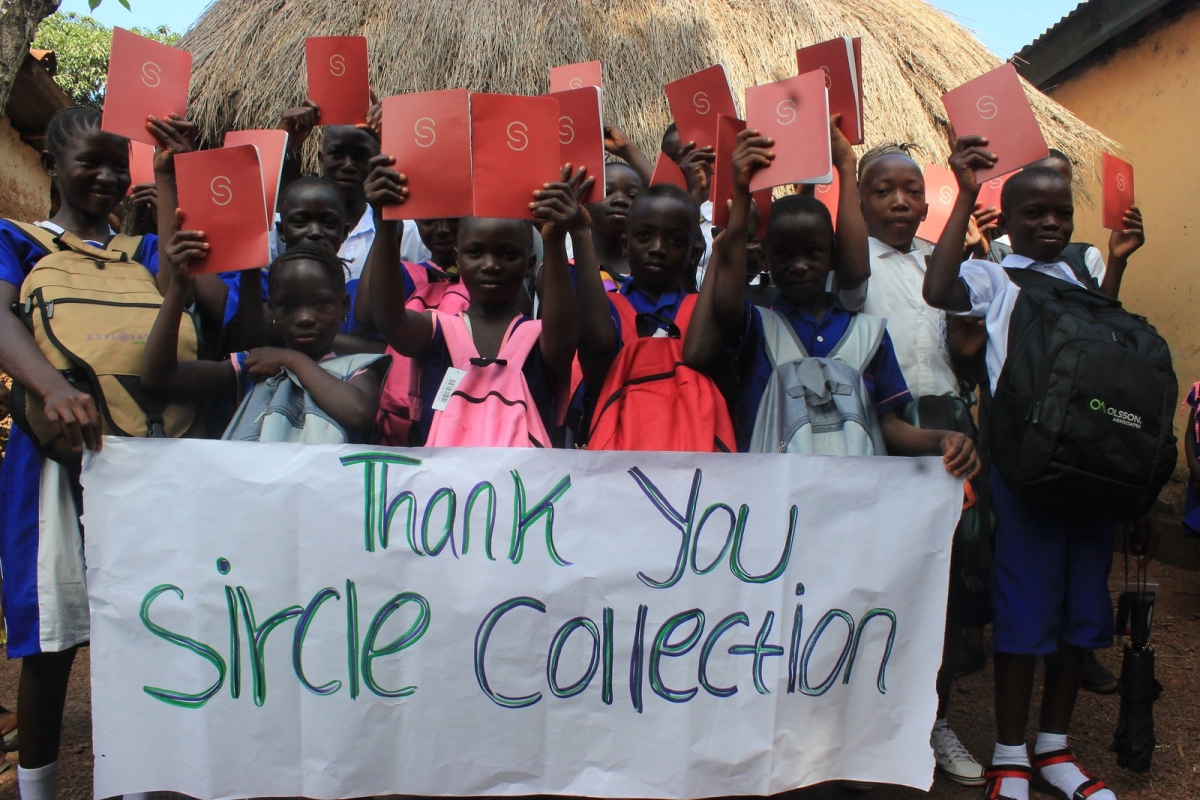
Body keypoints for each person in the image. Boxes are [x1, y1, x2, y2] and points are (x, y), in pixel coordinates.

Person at [922, 132, 1151, 800]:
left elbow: (1110, 351)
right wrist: (965, 196)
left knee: (1081, 612)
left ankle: (1055, 749)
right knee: (1023, 611)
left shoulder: (1079, 278)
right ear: (1011, 219)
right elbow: (940, 290)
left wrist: (1116, 263)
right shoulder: (993, 277)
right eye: (1034, 214)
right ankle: (1010, 752)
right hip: (1023, 475)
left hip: (1088, 473)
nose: (1050, 223)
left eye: (1060, 214)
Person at [0, 105, 190, 800]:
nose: (109, 178)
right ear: (53, 163)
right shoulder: (17, 240)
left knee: (141, 626)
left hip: (139, 457)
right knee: (52, 640)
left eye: (120, 165)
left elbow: (179, 291)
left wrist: (167, 181)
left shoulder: (139, 251)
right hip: (53, 460)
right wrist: (50, 386)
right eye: (92, 163)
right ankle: (38, 791)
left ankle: (135, 780)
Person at [685, 128, 980, 483]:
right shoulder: (756, 323)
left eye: (814, 253)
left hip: (853, 502)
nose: (799, 265)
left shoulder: (869, 333)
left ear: (833, 257)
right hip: (775, 498)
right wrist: (743, 193)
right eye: (782, 254)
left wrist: (943, 439)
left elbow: (889, 425)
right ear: (763, 260)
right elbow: (727, 296)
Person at [854, 142, 990, 786]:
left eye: (912, 188)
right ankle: (866, 717)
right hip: (880, 435)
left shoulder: (942, 261)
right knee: (877, 577)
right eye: (883, 190)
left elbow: (964, 349)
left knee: (943, 580)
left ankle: (933, 714)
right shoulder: (851, 269)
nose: (901, 201)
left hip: (946, 432)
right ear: (859, 201)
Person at [364, 154, 583, 447]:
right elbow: (389, 319)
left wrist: (554, 242)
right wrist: (386, 225)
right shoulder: (437, 331)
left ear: (529, 264)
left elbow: (564, 341)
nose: (491, 264)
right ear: (458, 259)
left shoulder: (539, 338)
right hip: (447, 491)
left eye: (508, 254)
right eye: (475, 252)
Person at [141, 231, 386, 444]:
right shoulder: (258, 367)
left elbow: (358, 413)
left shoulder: (358, 368)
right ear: (271, 309)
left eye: (320, 303)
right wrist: (178, 287)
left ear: (344, 306)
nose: (304, 318)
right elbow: (159, 376)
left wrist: (291, 360)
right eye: (287, 305)